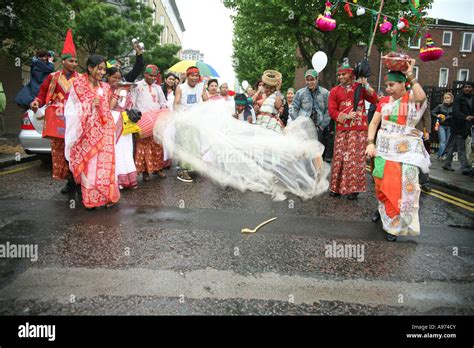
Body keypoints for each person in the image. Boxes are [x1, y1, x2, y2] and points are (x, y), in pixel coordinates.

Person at [366, 63, 429, 242]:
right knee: (381, 186)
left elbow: (421, 96)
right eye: (386, 85)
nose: (388, 89)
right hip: (383, 151)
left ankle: (394, 226)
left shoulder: (410, 99)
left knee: (400, 189)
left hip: (406, 154)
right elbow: (373, 124)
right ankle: (383, 211)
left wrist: (410, 74)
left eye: (392, 85)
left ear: (403, 84)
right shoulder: (384, 101)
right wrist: (370, 143)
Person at [64, 54, 120, 209]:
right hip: (86, 132)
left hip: (105, 130)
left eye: (104, 69)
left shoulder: (106, 87)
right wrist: (89, 103)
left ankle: (107, 196)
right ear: (90, 68)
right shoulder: (78, 85)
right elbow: (71, 109)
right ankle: (92, 199)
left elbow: (107, 108)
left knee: (105, 165)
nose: (102, 72)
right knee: (91, 165)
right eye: (99, 69)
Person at [30, 29, 79, 194]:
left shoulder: (81, 79)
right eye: (71, 61)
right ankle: (70, 181)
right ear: (64, 61)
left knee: (75, 150)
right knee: (60, 152)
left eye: (76, 61)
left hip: (75, 120)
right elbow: (42, 94)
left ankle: (78, 180)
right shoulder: (52, 77)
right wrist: (37, 102)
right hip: (57, 120)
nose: (74, 64)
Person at [328, 61, 379, 200]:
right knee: (340, 158)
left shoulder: (360, 88)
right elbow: (332, 110)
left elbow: (375, 100)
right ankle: (337, 188)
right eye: (339, 75)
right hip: (343, 129)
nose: (341, 77)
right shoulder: (334, 91)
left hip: (358, 130)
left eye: (343, 74)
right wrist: (345, 116)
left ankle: (353, 190)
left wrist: (366, 84)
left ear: (350, 75)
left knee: (355, 160)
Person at [131, 64, 168, 182]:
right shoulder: (137, 86)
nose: (153, 78)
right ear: (145, 74)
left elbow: (163, 102)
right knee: (143, 147)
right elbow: (132, 103)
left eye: (154, 76)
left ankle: (158, 169)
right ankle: (145, 172)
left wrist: (164, 109)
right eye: (150, 75)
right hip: (143, 122)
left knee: (157, 146)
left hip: (156, 121)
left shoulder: (158, 88)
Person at [173, 66, 209, 183]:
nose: (194, 78)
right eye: (192, 75)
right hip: (183, 121)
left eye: (196, 75)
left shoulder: (201, 87)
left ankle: (192, 167)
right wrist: (181, 115)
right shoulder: (180, 87)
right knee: (184, 144)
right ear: (187, 76)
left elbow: (206, 101)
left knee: (194, 145)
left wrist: (202, 111)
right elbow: (176, 104)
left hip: (195, 121)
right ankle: (182, 170)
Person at [107, 67, 138, 190]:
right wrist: (118, 92)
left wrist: (124, 92)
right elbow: (110, 106)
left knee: (126, 149)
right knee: (116, 149)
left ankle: (129, 179)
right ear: (108, 77)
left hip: (124, 120)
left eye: (119, 78)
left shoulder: (124, 90)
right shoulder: (105, 88)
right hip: (112, 119)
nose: (116, 80)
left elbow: (128, 106)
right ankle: (117, 180)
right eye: (114, 77)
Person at [290, 69, 330, 150]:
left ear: (317, 79)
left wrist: (322, 126)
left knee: (317, 152)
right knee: (303, 152)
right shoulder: (300, 93)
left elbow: (328, 110)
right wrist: (298, 123)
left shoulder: (325, 93)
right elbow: (294, 108)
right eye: (307, 80)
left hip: (318, 127)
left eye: (312, 79)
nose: (309, 82)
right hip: (304, 127)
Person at [443, 82, 473, 175]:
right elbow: (455, 112)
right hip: (458, 125)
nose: (467, 88)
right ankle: (465, 166)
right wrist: (465, 117)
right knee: (461, 147)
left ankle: (447, 164)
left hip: (467, 126)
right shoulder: (459, 98)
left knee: (453, 145)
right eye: (465, 87)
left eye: (469, 87)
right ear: (463, 88)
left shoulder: (472, 98)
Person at [432, 92, 454, 160]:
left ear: (451, 99)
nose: (446, 99)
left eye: (448, 98)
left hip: (450, 126)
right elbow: (433, 112)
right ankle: (442, 156)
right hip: (441, 125)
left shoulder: (454, 107)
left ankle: (441, 155)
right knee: (442, 141)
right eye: (445, 98)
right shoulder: (440, 106)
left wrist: (446, 118)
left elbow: (454, 115)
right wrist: (437, 115)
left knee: (447, 142)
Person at [416, 105, 432, 191]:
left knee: (421, 157)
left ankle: (425, 182)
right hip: (403, 133)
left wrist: (427, 131)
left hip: (418, 133)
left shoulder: (422, 101)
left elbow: (427, 116)